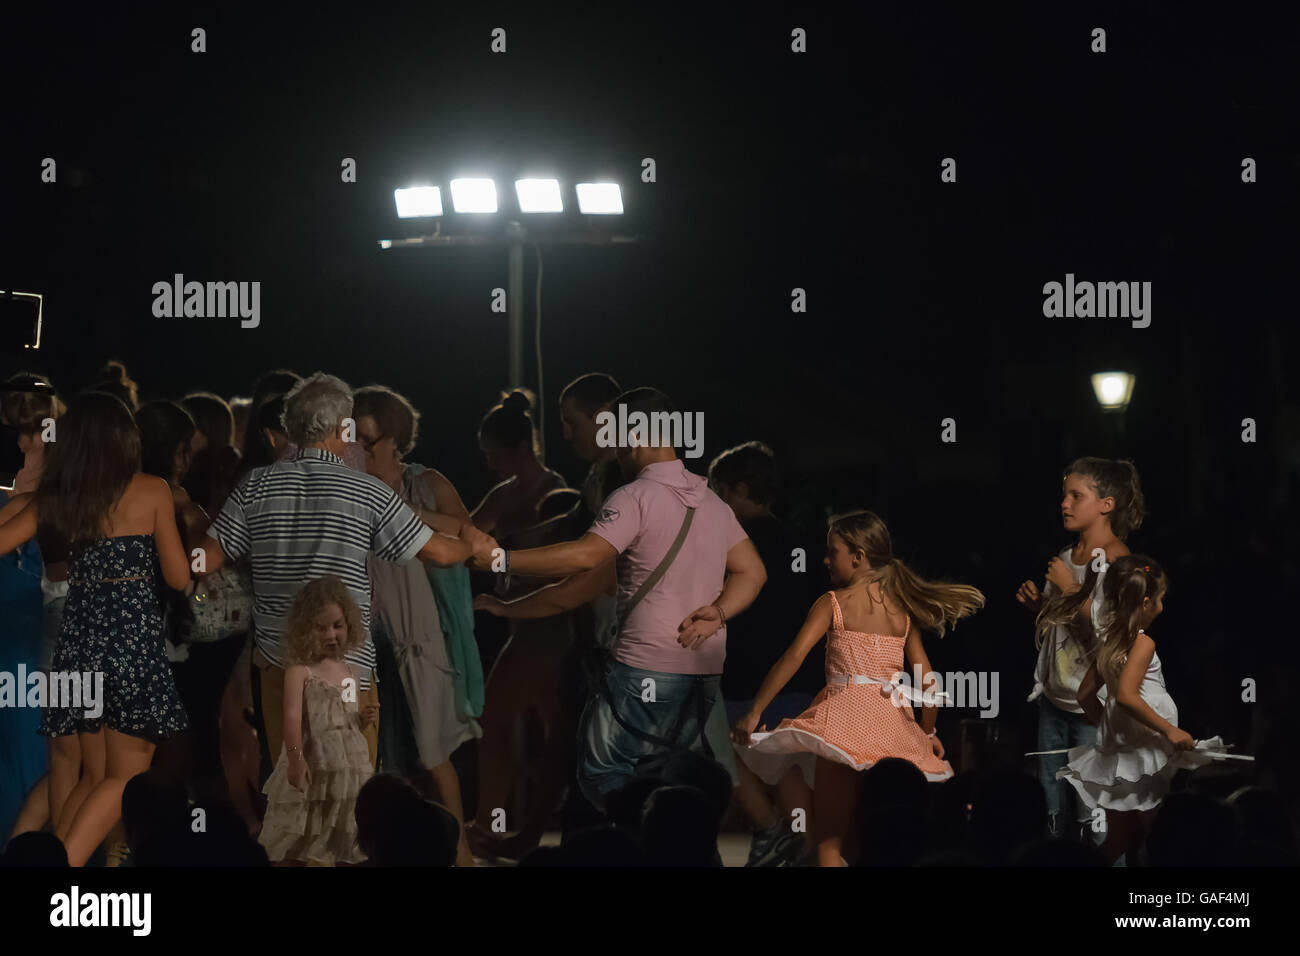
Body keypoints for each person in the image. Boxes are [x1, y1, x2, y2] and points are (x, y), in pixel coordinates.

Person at [466, 387, 768, 810]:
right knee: (680, 786)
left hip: (643, 667)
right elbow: (753, 572)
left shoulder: (634, 497)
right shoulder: (712, 503)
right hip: (700, 671)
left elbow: (587, 555)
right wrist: (718, 612)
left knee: (607, 778)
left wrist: (502, 559)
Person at [196, 372, 477, 774]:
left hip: (278, 664)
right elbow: (441, 554)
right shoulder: (366, 492)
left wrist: (193, 518)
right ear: (342, 429)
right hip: (348, 669)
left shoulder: (255, 486)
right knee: (351, 792)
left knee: (290, 793)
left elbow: (203, 560)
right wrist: (472, 545)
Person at [0, 392, 191, 866]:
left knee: (93, 776)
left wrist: (17, 494)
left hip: (75, 646)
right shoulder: (151, 490)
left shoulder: (60, 497)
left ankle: (45, 862)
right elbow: (177, 577)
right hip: (128, 648)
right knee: (125, 776)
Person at [734, 510, 985, 867]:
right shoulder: (903, 611)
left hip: (842, 727)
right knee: (867, 840)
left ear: (858, 556)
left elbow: (793, 656)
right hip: (892, 730)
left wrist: (755, 711)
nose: (825, 559)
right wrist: (928, 730)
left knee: (831, 843)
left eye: (831, 551)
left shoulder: (833, 603)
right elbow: (928, 678)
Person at [352, 385, 480, 866]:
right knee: (374, 749)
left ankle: (460, 851)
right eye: (354, 439)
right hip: (367, 636)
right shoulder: (351, 487)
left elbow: (470, 536)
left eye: (368, 440)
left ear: (394, 440)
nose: (359, 450)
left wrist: (401, 508)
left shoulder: (423, 483)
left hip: (420, 637)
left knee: (433, 752)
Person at [1057, 556, 1224, 864]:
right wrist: (1169, 729)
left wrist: (1111, 731)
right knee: (1157, 833)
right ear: (1146, 603)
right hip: (1143, 757)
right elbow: (1125, 696)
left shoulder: (1109, 640)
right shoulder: (1141, 643)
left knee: (1120, 839)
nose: (1162, 605)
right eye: (1160, 599)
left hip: (1122, 755)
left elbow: (1085, 696)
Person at [709, 440, 822, 865]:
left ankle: (779, 834)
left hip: (743, 675)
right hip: (796, 675)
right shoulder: (800, 543)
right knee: (786, 765)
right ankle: (801, 844)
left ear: (738, 490)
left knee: (725, 754)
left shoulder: (730, 544)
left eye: (719, 492)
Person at [1018, 457, 1143, 839]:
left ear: (1106, 503)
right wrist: (1042, 606)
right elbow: (1069, 626)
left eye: (1076, 495)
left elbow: (1107, 638)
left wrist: (1070, 590)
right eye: (1064, 495)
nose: (1065, 503)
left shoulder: (1119, 561)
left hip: (1093, 707)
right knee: (1052, 813)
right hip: (1054, 699)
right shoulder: (1066, 555)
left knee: (1094, 818)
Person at [259, 577, 375, 865]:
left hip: (347, 768)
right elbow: (292, 717)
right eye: (321, 628)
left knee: (342, 835)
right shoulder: (300, 672)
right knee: (302, 833)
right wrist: (296, 759)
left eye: (338, 626)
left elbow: (347, 719)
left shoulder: (351, 671)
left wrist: (361, 718)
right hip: (314, 761)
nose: (331, 635)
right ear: (305, 630)